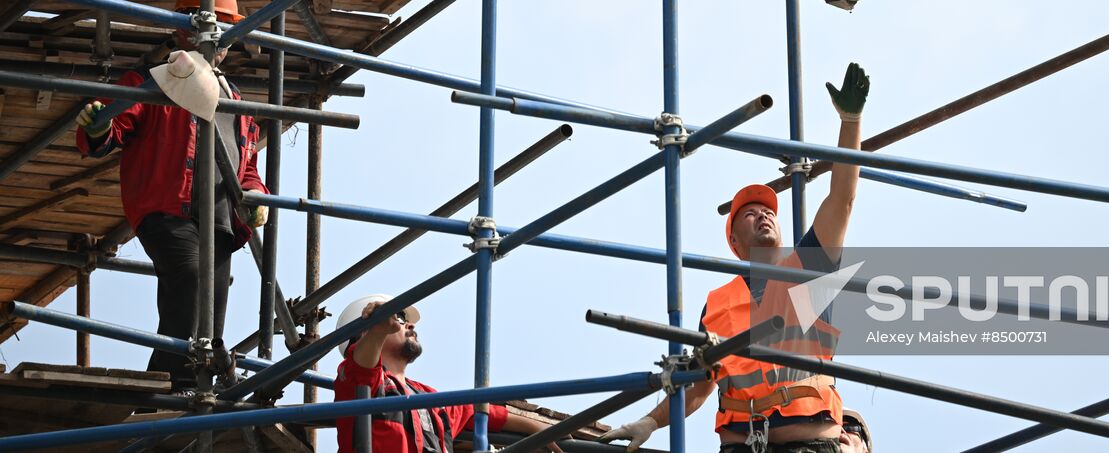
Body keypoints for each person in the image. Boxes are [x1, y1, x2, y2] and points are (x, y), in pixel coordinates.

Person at [601, 63, 870, 452]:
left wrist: (850, 122)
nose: (763, 215)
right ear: (735, 242)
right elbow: (698, 385)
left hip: (809, 444)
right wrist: (650, 422)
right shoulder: (717, 304)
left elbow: (842, 198)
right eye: (750, 213)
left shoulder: (809, 266)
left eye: (769, 212)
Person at [74, 0, 267, 389]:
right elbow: (113, 129)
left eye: (227, 29)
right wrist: (96, 127)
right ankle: (173, 386)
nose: (221, 39)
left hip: (219, 217)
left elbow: (245, 163)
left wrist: (255, 197)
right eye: (215, 27)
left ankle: (189, 386)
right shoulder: (153, 81)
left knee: (210, 314)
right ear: (182, 29)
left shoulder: (236, 97)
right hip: (166, 209)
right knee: (190, 280)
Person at [334, 295, 567, 452]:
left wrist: (537, 428)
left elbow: (478, 412)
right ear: (363, 332)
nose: (410, 326)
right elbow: (362, 366)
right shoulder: (354, 377)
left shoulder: (428, 397)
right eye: (400, 318)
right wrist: (377, 329)